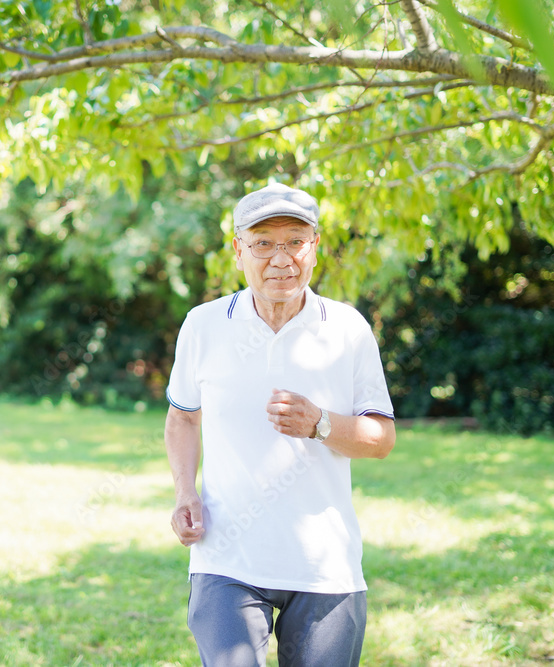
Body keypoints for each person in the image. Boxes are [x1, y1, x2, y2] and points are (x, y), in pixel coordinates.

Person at [164, 183, 396, 667]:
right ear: (238, 250)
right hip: (225, 559)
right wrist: (185, 491)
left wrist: (320, 423)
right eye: (263, 243)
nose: (281, 258)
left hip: (324, 567)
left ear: (315, 247)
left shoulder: (348, 330)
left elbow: (381, 440)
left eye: (295, 241)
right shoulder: (204, 325)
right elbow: (183, 417)